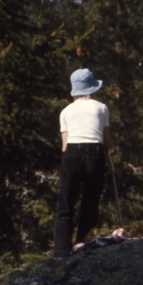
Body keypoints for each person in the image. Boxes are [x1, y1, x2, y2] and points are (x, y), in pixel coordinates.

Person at [53, 68, 111, 257]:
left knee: (65, 204)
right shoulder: (101, 107)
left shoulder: (65, 112)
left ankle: (61, 253)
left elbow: (64, 145)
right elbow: (107, 141)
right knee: (90, 202)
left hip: (72, 154)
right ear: (91, 89)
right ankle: (82, 246)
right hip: (95, 152)